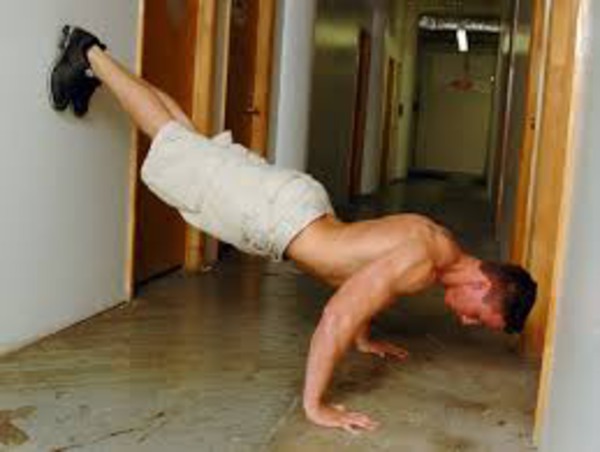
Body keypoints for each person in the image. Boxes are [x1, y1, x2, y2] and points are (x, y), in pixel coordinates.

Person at [50, 26, 537, 433]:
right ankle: (88, 52)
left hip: (298, 205)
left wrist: (365, 339)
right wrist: (316, 406)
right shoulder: (422, 261)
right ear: (482, 284)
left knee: (187, 142)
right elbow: (338, 315)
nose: (467, 323)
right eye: (481, 317)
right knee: (173, 141)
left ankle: (95, 71)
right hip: (276, 216)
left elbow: (365, 275)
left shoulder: (440, 244)